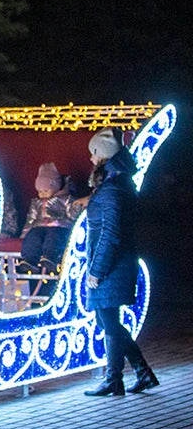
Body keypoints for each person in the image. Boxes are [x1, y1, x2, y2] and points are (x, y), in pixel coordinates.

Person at [83, 127, 159, 396]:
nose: (91, 159)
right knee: (108, 322)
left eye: (93, 154)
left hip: (112, 266)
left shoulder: (112, 188)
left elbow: (110, 233)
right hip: (116, 263)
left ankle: (115, 379)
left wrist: (97, 271)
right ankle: (139, 373)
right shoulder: (116, 183)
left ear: (102, 156)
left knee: (108, 322)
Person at [19, 162, 78, 273]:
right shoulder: (36, 202)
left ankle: (51, 257)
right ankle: (30, 259)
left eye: (46, 191)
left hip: (59, 226)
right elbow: (30, 219)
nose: (43, 194)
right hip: (40, 227)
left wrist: (75, 210)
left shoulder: (64, 199)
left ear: (55, 187)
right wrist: (24, 234)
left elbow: (72, 214)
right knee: (33, 236)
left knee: (53, 237)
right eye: (40, 191)